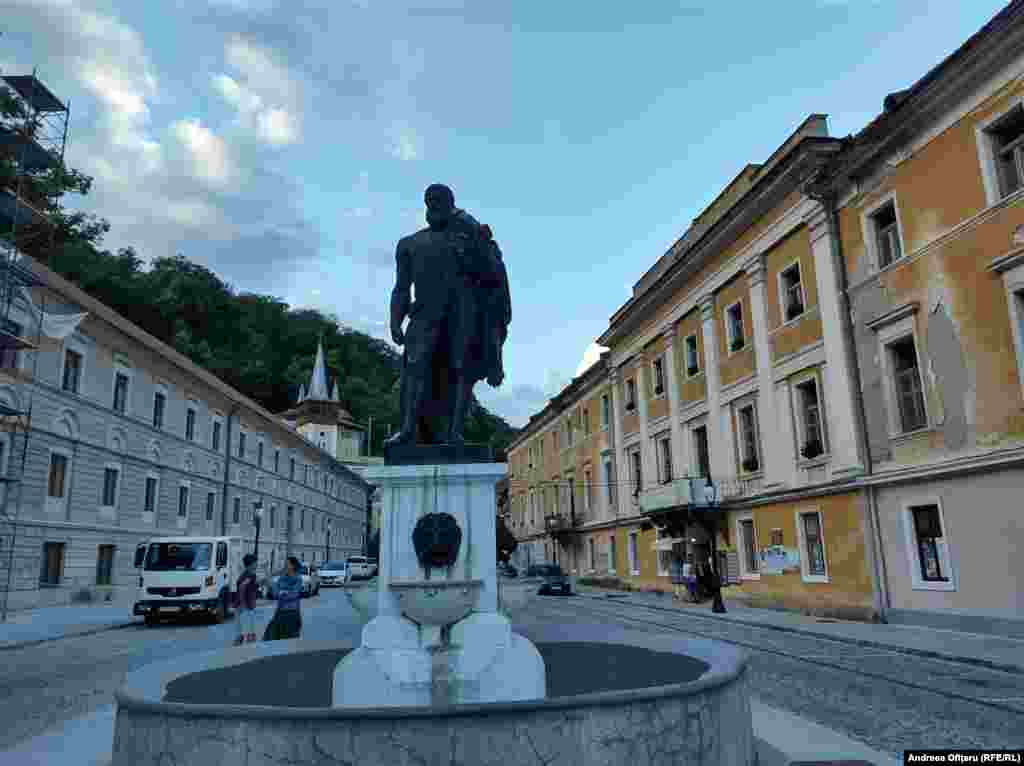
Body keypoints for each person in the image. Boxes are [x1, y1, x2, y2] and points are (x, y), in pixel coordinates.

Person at [263, 556, 304, 641]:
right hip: (280, 611)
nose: (285, 565)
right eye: (285, 564)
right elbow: (275, 593)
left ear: (293, 566)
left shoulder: (298, 579)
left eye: (287, 564)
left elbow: (294, 595)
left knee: (291, 639)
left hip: (292, 612)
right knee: (270, 637)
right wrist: (279, 591)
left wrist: (281, 593)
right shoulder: (282, 578)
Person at [234, 553, 260, 645]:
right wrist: (243, 604)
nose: (257, 564)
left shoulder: (245, 574)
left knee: (240, 632)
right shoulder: (250, 575)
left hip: (241, 606)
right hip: (245, 606)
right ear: (251, 563)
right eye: (256, 562)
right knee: (249, 633)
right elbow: (242, 587)